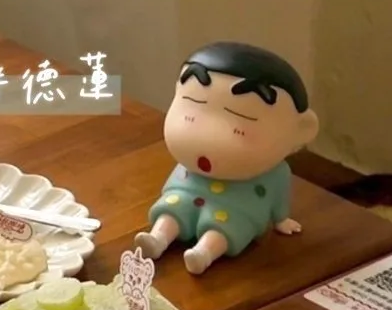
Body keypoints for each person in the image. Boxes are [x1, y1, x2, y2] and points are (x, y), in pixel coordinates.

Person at [135, 41, 319, 275]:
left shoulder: (276, 172)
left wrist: (281, 219)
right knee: (172, 211)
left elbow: (278, 195)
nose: (209, 135)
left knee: (223, 228)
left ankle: (204, 254)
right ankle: (157, 239)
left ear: (300, 130)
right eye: (192, 115)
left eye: (240, 124)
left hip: (237, 209)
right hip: (185, 195)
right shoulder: (187, 164)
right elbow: (173, 184)